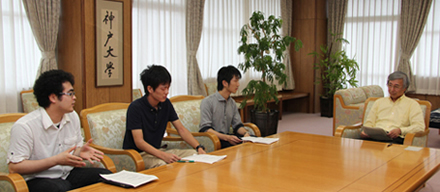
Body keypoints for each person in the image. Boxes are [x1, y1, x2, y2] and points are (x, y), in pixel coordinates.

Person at [8, 70, 111, 192]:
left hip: (66, 174)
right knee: (60, 188)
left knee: (106, 176)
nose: (74, 98)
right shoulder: (25, 126)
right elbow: (14, 167)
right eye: (70, 94)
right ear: (53, 97)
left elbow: (71, 151)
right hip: (37, 178)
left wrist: (79, 152)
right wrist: (55, 160)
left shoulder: (72, 116)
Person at [123, 65, 206, 169]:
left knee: (194, 155)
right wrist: (163, 156)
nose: (167, 92)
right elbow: (139, 142)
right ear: (150, 89)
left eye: (168, 88)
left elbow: (181, 129)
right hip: (139, 155)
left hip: (158, 151)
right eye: (163, 88)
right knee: (161, 165)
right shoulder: (135, 108)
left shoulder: (165, 103)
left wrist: (198, 147)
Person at [361, 71, 425, 144]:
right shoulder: (379, 102)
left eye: (396, 86)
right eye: (390, 85)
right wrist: (365, 132)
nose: (392, 89)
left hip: (395, 139)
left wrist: (400, 130)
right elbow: (369, 122)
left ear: (405, 88)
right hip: (374, 138)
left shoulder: (412, 104)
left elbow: (419, 127)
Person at [199, 65, 250, 149]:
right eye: (235, 81)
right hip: (216, 139)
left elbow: (237, 125)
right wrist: (226, 137)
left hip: (228, 138)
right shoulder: (208, 102)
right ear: (225, 83)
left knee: (253, 140)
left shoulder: (232, 102)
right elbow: (205, 129)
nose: (238, 84)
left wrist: (245, 134)